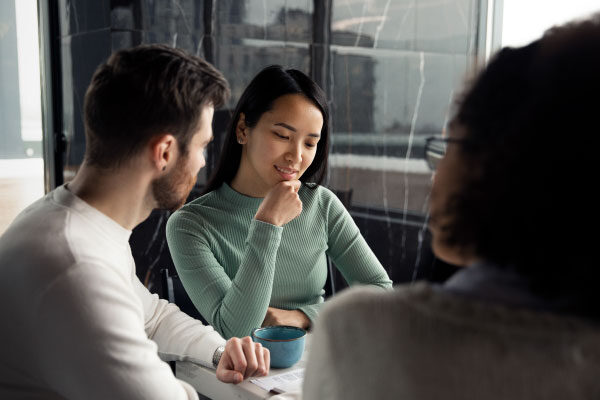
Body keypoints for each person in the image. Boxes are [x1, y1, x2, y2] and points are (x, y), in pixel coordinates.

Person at [303, 14, 600, 400]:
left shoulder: (363, 333)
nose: (435, 174)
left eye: (450, 145)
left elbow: (378, 286)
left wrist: (302, 312)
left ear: (493, 166)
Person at [0, 44, 270, 400]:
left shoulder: (78, 224)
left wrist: (219, 350)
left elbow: (152, 315)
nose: (205, 162)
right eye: (203, 145)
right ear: (164, 152)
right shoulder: (74, 265)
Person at [166, 65, 392, 339]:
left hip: (316, 361)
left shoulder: (321, 204)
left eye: (310, 144)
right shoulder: (189, 225)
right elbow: (235, 330)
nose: (296, 156)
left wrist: (303, 316)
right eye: (283, 136)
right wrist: (268, 223)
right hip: (239, 376)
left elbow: (381, 294)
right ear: (242, 130)